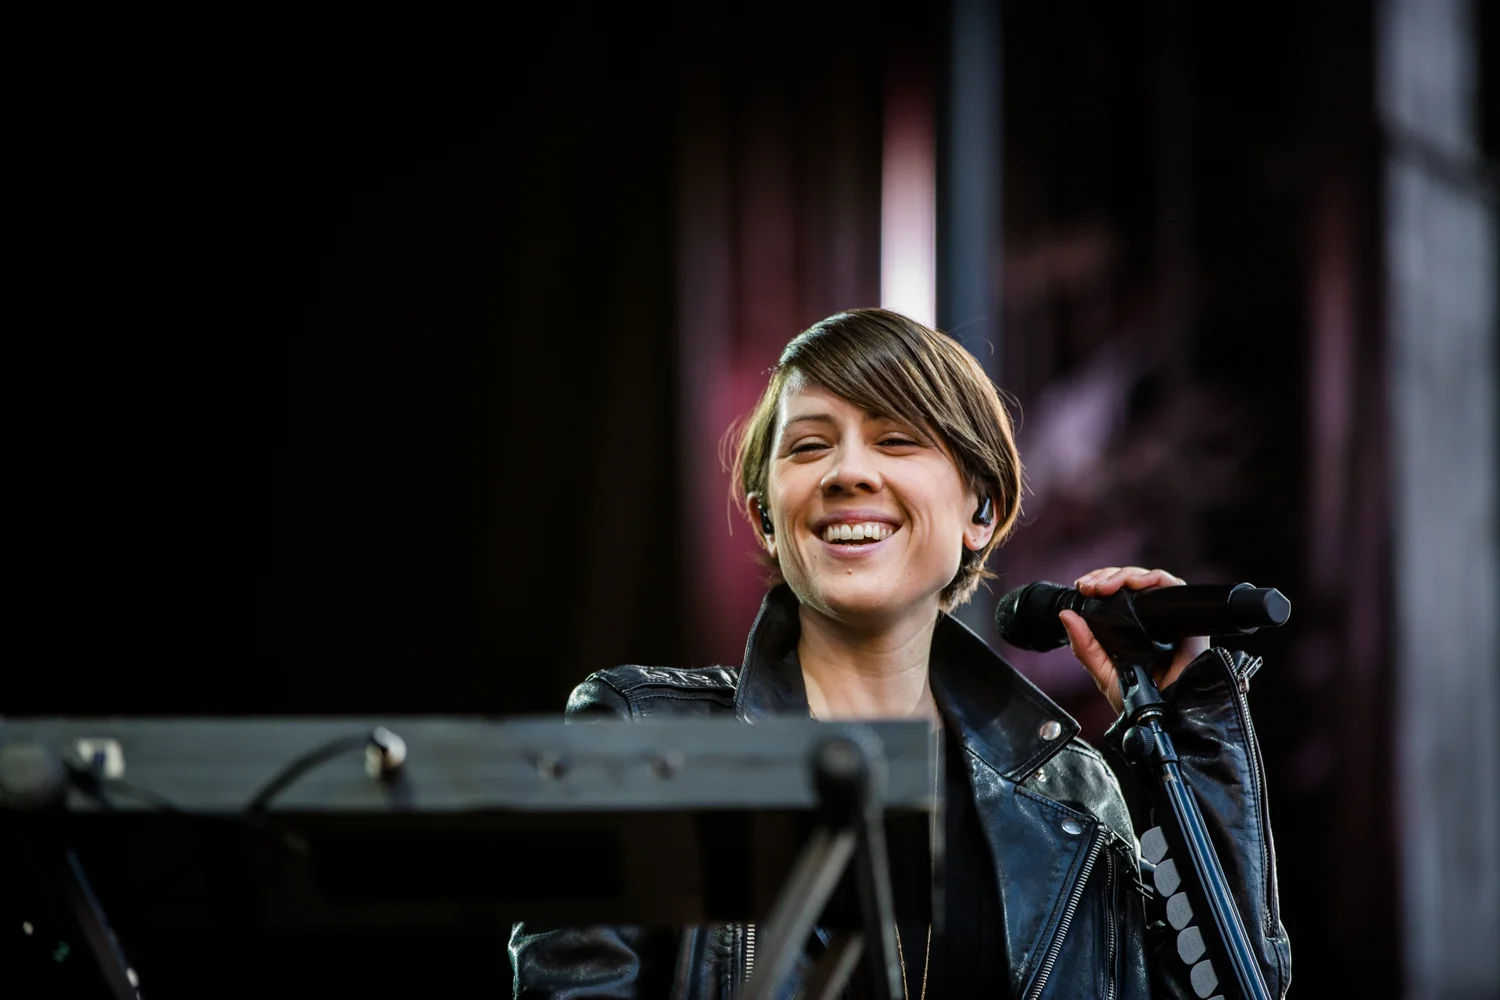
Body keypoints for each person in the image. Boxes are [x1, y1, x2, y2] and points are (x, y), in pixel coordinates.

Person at [510, 308, 1291, 999]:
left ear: (980, 512)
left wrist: (1192, 726)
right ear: (767, 520)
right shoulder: (641, 740)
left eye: (896, 439)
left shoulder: (1072, 799)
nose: (849, 472)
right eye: (809, 445)